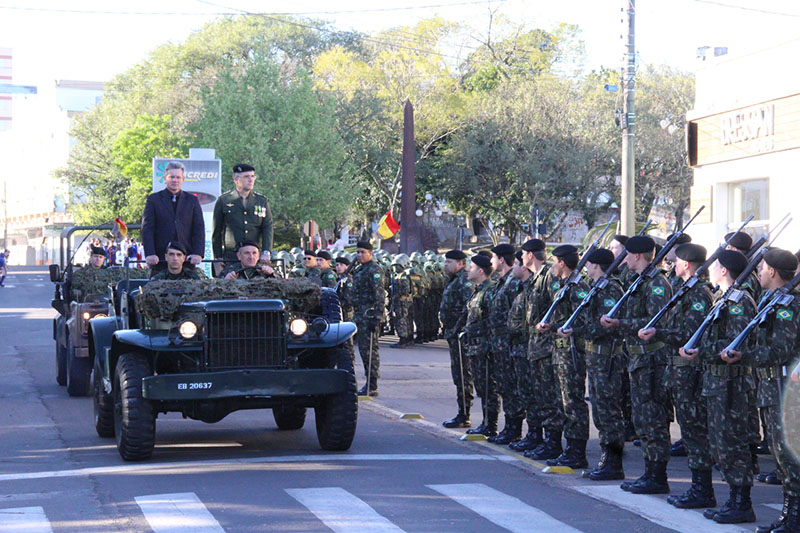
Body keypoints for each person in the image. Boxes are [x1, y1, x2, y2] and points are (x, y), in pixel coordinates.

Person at [681, 249, 757, 524]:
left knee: (732, 443)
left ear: (724, 270)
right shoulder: (721, 299)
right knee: (721, 442)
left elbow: (737, 344)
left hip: (730, 384)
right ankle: (733, 500)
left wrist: (699, 348)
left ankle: (741, 503)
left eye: (715, 266)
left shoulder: (738, 302)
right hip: (715, 382)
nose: (709, 270)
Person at [640, 243, 715, 506]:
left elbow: (691, 336)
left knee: (695, 433)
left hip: (689, 373)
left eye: (677, 262)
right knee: (689, 429)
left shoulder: (698, 294)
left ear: (686, 264)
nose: (672, 265)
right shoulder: (685, 290)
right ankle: (699, 489)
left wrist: (659, 334)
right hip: (677, 371)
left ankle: (703, 490)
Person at [601, 235, 673, 494]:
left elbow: (655, 321)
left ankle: (657, 476)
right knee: (642, 419)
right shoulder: (636, 281)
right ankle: (650, 472)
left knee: (653, 419)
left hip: (652, 359)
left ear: (638, 256)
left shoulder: (656, 283)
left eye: (628, 255)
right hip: (637, 357)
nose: (625, 259)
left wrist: (621, 325)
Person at [740, 249, 800, 532]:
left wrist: (743, 355)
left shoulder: (788, 305)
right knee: (779, 454)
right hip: (769, 386)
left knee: (788, 453)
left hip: (784, 389)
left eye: (762, 267)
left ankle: (796, 516)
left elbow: (781, 350)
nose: (759, 272)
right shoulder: (770, 300)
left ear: (773, 272)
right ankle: (789, 515)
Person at [561, 248, 627, 480]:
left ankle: (613, 462)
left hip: (607, 357)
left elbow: (604, 325)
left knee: (608, 411)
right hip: (595, 356)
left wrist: (576, 330)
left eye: (588, 265)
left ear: (596, 265)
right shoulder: (597, 287)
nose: (586, 268)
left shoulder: (611, 288)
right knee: (599, 410)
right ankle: (606, 460)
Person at [537, 244, 591, 468]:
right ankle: (568, 448)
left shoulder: (579, 287)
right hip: (559, 350)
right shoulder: (564, 285)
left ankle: (577, 451)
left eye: (554, 261)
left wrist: (554, 325)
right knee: (562, 402)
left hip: (572, 351)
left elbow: (583, 319)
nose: (552, 266)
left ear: (561, 262)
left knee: (573, 402)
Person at [486, 243, 525, 445]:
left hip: (509, 344)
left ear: (501, 259)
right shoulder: (502, 282)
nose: (491, 261)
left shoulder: (513, 283)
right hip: (499, 344)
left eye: (493, 257)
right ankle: (509, 427)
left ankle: (514, 428)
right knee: (504, 386)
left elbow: (516, 315)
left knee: (511, 388)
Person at [458, 254, 497, 436]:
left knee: (488, 388)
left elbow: (492, 321)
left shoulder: (489, 291)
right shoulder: (478, 290)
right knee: (482, 387)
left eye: (471, 267)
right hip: (475, 347)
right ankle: (486, 422)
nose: (468, 270)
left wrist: (490, 345)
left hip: (484, 348)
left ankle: (490, 425)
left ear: (481, 271)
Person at [141, 161, 205, 273]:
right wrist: (150, 253)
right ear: (165, 178)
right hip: (160, 260)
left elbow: (198, 228)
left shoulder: (192, 200)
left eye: (178, 177)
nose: (175, 180)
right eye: (172, 177)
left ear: (183, 180)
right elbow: (147, 228)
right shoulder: (153, 200)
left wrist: (198, 253)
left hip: (186, 260)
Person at [439, 249, 475, 428]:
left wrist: (457, 329)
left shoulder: (464, 281)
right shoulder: (453, 280)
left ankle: (465, 413)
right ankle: (462, 411)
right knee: (458, 374)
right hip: (452, 333)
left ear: (461, 263)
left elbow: (468, 308)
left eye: (449, 262)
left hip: (459, 335)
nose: (446, 265)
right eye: (445, 262)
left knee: (463, 374)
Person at [212, 163, 273, 266]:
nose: (250, 180)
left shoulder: (261, 201)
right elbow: (217, 230)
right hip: (232, 256)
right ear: (236, 179)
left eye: (252, 176)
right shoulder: (224, 200)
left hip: (254, 257)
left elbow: (267, 227)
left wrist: (266, 251)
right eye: (246, 177)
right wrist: (218, 256)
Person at [352, 241, 385, 396]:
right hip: (360, 315)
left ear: (371, 253)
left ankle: (372, 384)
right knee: (364, 351)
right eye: (358, 252)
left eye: (363, 252)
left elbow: (379, 295)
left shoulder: (374, 270)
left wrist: (377, 316)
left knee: (370, 351)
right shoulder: (360, 269)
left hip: (369, 315)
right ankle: (369, 382)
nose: (359, 255)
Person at [335, 256, 354, 321]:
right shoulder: (339, 279)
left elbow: (348, 299)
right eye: (337, 265)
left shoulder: (348, 280)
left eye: (341, 265)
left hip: (346, 313)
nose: (339, 267)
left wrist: (337, 304)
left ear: (347, 267)